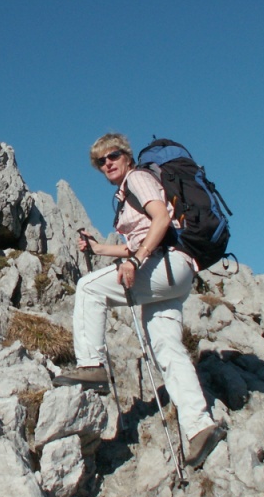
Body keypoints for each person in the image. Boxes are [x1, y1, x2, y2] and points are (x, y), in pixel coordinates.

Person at [53, 132, 225, 468]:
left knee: (88, 288)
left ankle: (91, 365)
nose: (107, 164)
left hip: (165, 263)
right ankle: (200, 427)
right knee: (166, 347)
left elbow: (161, 219)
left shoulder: (138, 178)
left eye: (113, 156)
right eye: (100, 161)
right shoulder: (126, 194)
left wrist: (134, 260)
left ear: (127, 156)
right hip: (175, 272)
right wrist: (101, 248)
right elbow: (140, 237)